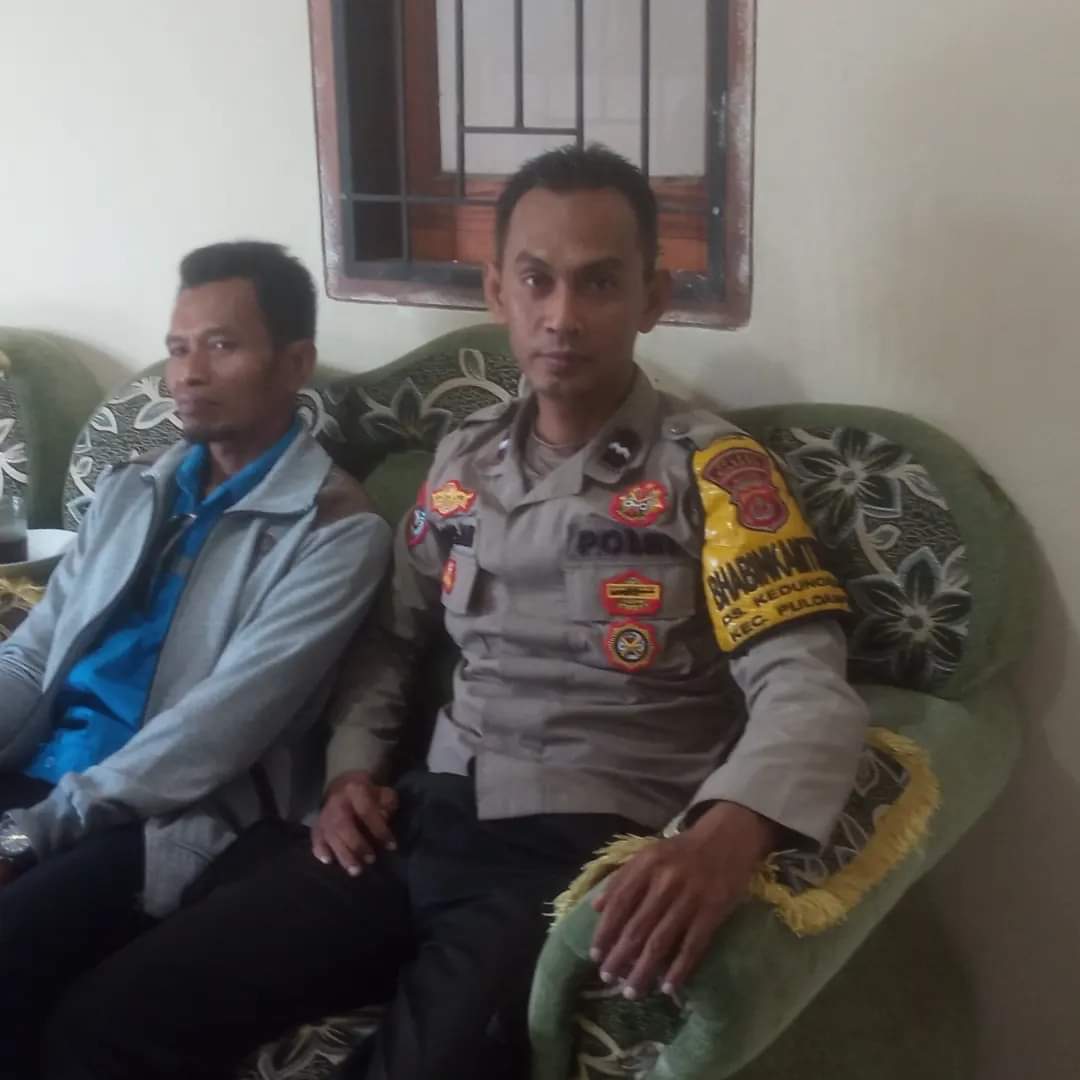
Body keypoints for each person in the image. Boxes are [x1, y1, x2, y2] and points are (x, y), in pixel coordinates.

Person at [44, 148, 867, 1080]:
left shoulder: (713, 471)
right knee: (103, 1024)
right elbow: (389, 640)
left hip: (573, 854)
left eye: (599, 283)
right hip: (415, 823)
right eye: (536, 280)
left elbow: (807, 682)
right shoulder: (462, 462)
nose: (562, 316)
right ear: (497, 292)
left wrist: (729, 834)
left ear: (652, 296)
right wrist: (352, 774)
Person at [0, 241, 391, 1079]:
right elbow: (32, 657)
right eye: (178, 348)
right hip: (38, 773)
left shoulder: (334, 532)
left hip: (155, 818)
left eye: (221, 345)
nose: (188, 373)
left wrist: (31, 834)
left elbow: (213, 735)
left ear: (295, 363)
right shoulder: (131, 490)